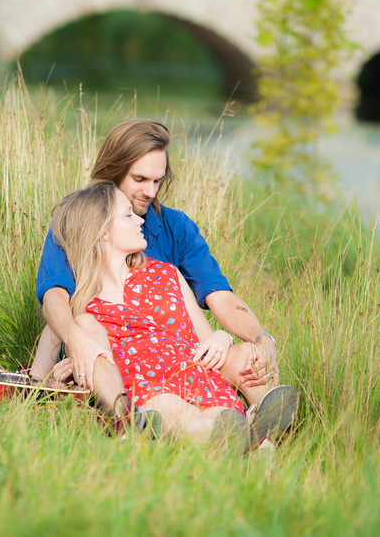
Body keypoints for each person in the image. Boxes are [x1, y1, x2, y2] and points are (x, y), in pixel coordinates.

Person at [31, 119, 292, 418]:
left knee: (251, 357)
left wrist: (260, 338)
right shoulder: (79, 222)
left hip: (176, 354)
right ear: (114, 171)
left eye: (157, 181)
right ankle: (136, 418)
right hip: (109, 354)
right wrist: (74, 342)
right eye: (140, 179)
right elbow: (54, 297)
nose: (151, 191)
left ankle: (265, 426)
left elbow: (218, 294)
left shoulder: (175, 227)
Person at [34, 181, 298, 448]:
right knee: (178, 411)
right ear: (103, 231)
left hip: (197, 376)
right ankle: (254, 439)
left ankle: (243, 435)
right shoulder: (79, 307)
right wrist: (55, 384)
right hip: (147, 391)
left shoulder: (167, 274)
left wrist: (222, 337)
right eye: (128, 215)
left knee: (222, 413)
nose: (140, 220)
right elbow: (35, 382)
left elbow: (204, 338)